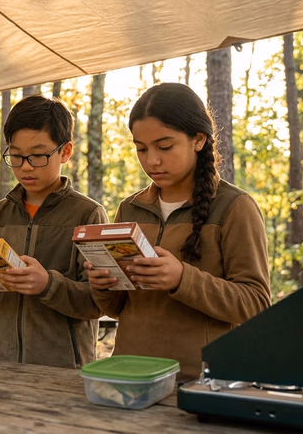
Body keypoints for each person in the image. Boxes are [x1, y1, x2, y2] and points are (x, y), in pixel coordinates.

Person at [85, 82, 271, 381]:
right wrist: (103, 284)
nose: (152, 160)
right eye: (141, 149)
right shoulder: (130, 208)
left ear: (198, 140)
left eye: (165, 146)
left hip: (201, 382)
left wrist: (181, 278)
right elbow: (118, 308)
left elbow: (255, 304)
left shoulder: (235, 207)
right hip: (130, 376)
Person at [0, 95, 108, 368]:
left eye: (38, 155)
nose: (26, 166)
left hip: (61, 369)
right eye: (16, 156)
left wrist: (48, 285)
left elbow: (99, 302)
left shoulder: (87, 215)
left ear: (65, 152)